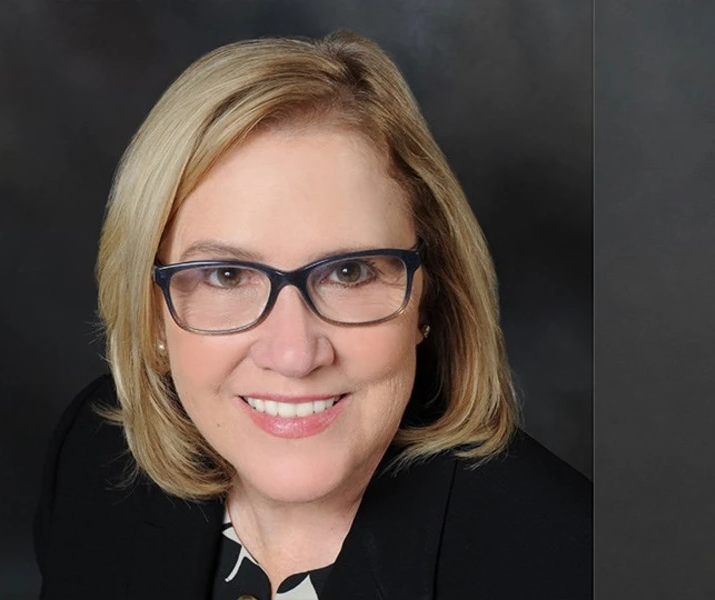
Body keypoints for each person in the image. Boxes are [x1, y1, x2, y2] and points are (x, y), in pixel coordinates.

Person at [34, 30, 591, 599]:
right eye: (227, 276)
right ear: (152, 314)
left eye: (348, 273)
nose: (295, 354)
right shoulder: (97, 455)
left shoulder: (571, 565)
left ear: (429, 296)